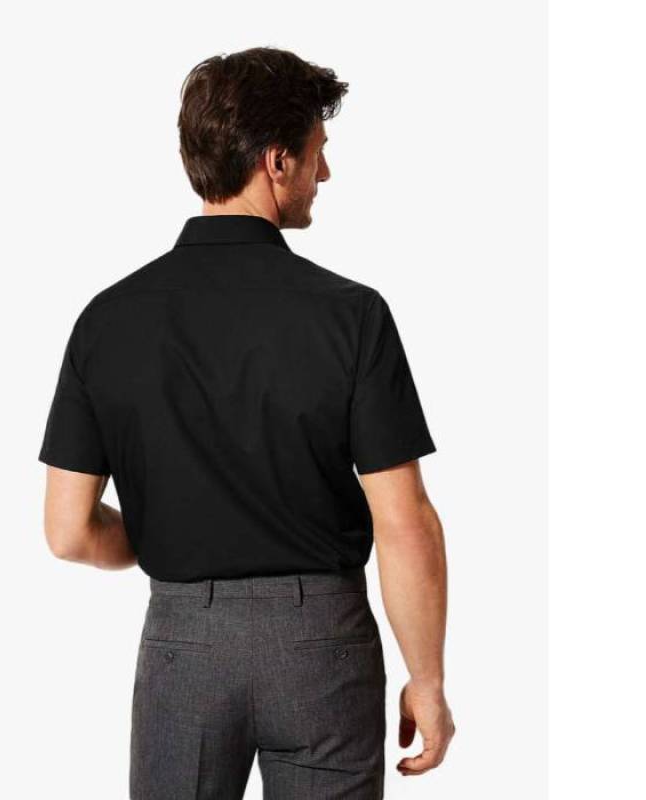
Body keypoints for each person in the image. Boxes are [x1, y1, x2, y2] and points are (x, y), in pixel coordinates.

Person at [38, 46, 455, 800]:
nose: (325, 173)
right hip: (321, 646)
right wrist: (426, 679)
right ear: (277, 162)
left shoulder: (107, 320)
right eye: (318, 152)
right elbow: (405, 523)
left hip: (183, 644)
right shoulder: (351, 315)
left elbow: (68, 531)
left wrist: (166, 542)